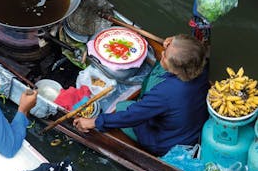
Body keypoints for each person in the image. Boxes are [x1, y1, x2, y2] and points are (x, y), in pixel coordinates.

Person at [73, 34, 209, 156]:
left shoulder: (164, 94)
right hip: (192, 130)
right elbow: (190, 50)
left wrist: (94, 122)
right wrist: (174, 42)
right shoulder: (201, 68)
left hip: (164, 142)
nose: (162, 53)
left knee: (123, 106)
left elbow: (130, 116)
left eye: (165, 56)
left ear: (178, 69)